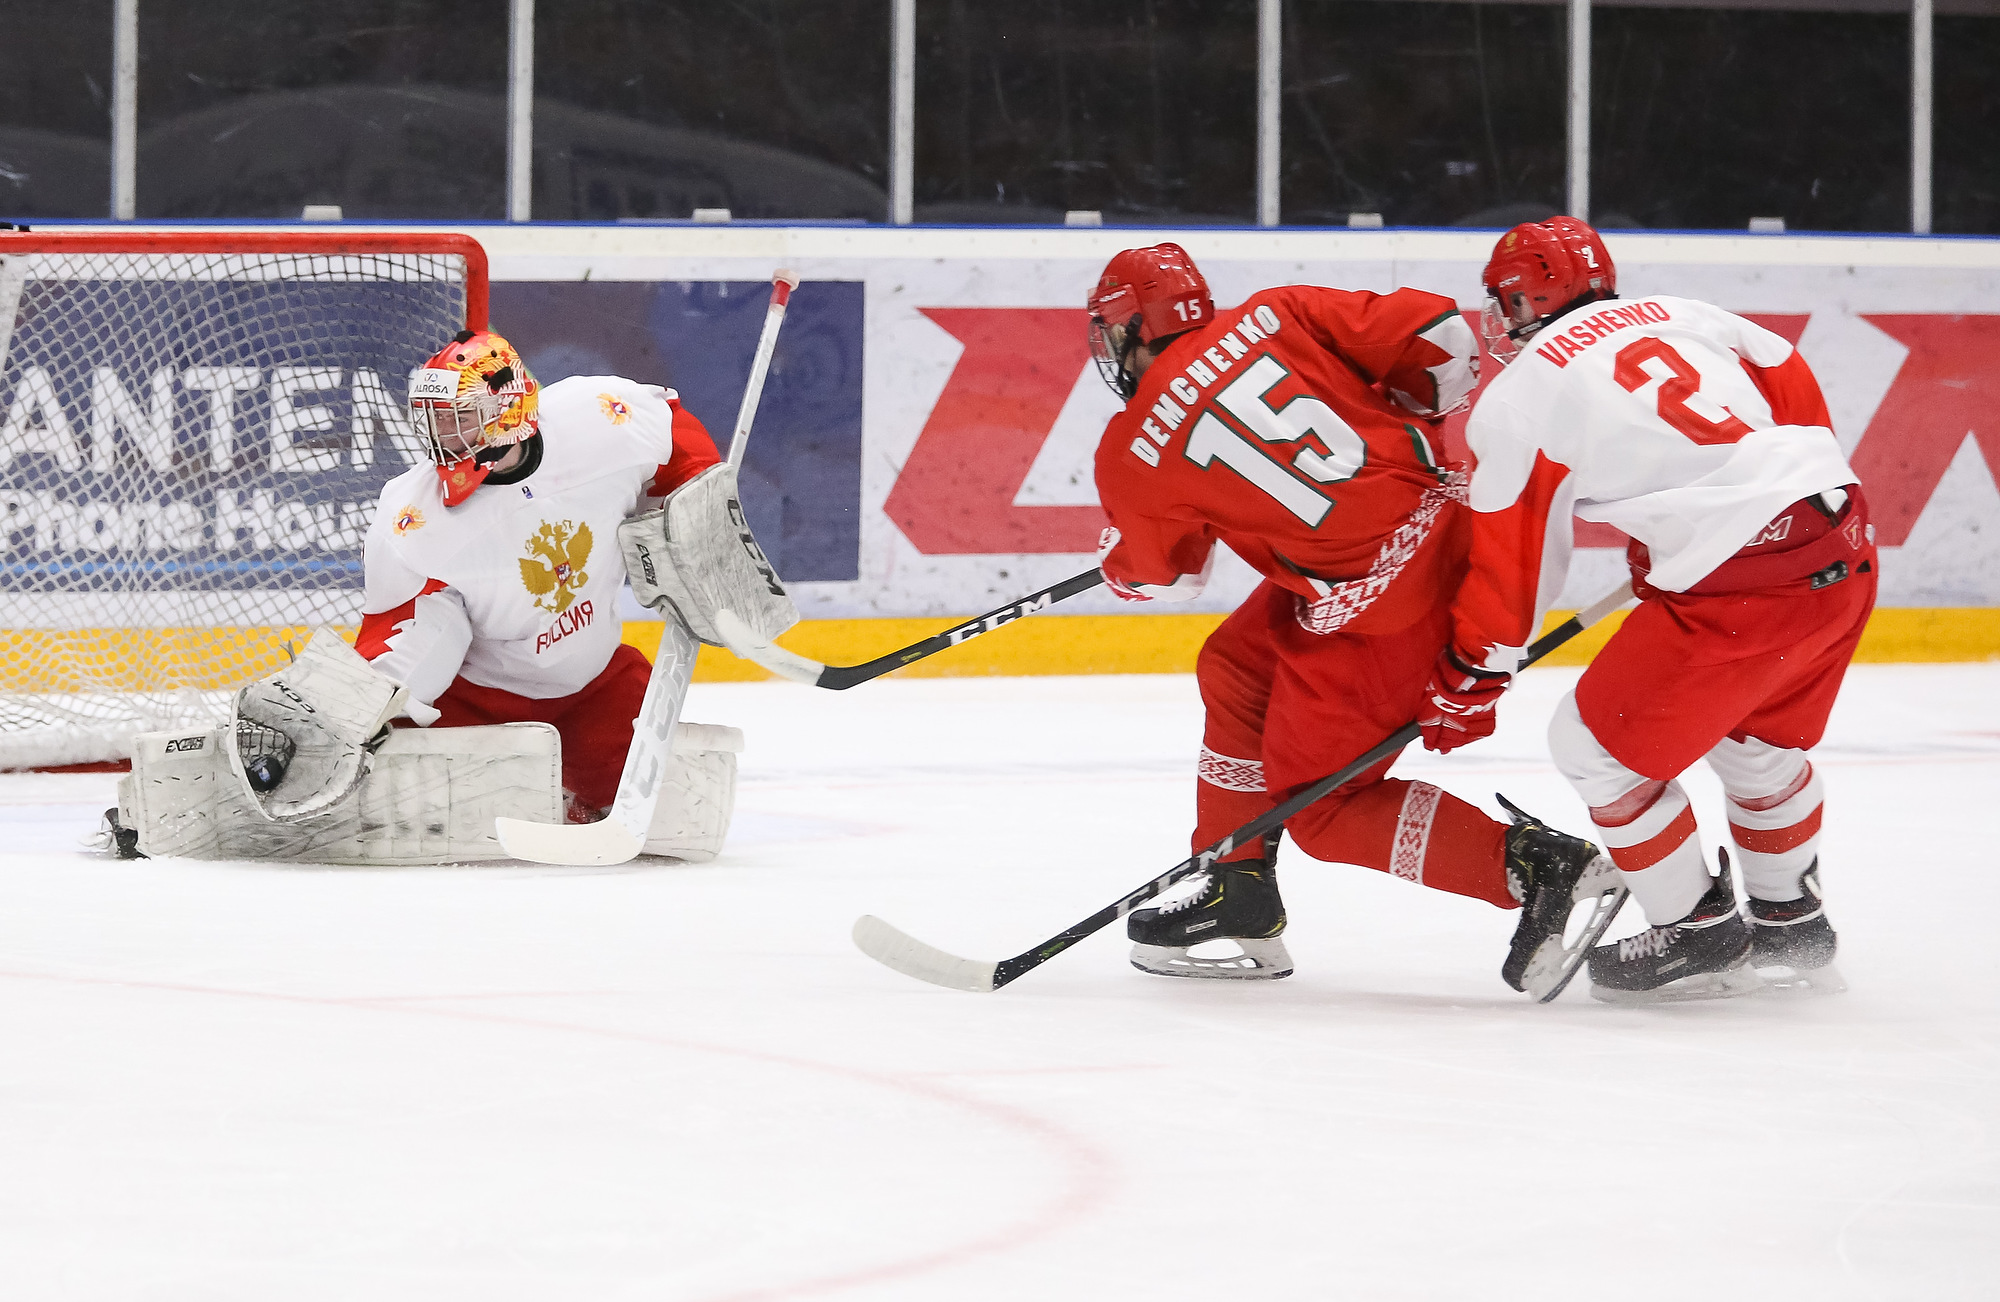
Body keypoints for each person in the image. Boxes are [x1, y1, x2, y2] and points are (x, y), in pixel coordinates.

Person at [1087, 243, 1619, 990]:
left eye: (1113, 333)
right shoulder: (1277, 311)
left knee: (1327, 812)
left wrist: (1121, 556)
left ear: (1134, 329)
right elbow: (1446, 342)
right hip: (1454, 527)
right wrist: (1394, 414)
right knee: (1237, 666)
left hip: (1384, 610)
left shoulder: (1133, 446)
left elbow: (1163, 580)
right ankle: (1235, 882)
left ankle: (1534, 865)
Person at [1423, 216, 1871, 1002]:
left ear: (1527, 297)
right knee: (1752, 738)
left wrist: (1473, 675)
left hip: (1741, 582)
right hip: (1845, 535)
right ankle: (1790, 921)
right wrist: (1756, 503)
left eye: (1505, 301)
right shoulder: (1689, 313)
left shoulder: (1523, 395)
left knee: (1592, 746)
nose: (1500, 320)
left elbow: (1514, 576)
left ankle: (1694, 929)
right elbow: (1787, 374)